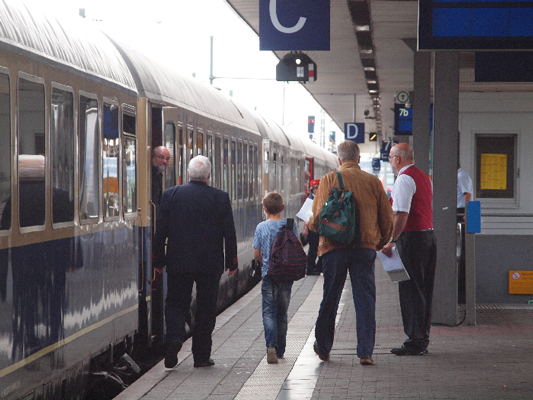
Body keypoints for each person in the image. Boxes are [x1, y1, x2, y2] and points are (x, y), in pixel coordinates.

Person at [308, 141, 393, 365]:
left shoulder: (329, 179)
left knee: (331, 297)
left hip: (334, 248)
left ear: (340, 159)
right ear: (357, 159)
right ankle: (365, 352)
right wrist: (379, 242)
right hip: (364, 248)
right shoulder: (374, 182)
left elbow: (317, 217)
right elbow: (386, 218)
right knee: (365, 299)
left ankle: (324, 348)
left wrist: (313, 227)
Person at [153, 155, 238, 369]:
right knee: (206, 308)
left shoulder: (171, 195)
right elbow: (230, 232)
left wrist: (158, 260)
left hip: (178, 262)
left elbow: (160, 231)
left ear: (188, 173)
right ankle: (201, 357)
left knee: (175, 302)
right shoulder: (220, 197)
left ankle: (175, 337)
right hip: (210, 264)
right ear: (209, 176)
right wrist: (232, 261)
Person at [381, 143, 437, 356]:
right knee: (423, 289)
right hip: (428, 237)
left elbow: (401, 213)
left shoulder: (404, 179)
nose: (389, 161)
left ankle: (415, 340)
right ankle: (422, 337)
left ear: (397, 159)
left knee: (410, 289)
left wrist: (392, 240)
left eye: (390, 157)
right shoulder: (423, 176)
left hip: (412, 239)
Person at [253, 192, 300, 364]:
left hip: (268, 275)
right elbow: (298, 247)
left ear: (265, 209)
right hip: (286, 276)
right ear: (283, 208)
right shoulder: (290, 225)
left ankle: (270, 345)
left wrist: (265, 261)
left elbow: (257, 253)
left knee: (268, 312)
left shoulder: (261, 227)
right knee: (282, 312)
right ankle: (280, 351)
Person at [457, 166, 473, 304]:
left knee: (463, 251)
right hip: (460, 212)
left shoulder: (461, 176)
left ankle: (462, 293)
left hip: (461, 212)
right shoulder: (459, 175)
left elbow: (467, 194)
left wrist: (466, 214)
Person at [304, 179, 322, 275]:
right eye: (315, 188)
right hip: (312, 227)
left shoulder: (319, 198)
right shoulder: (310, 199)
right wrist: (306, 228)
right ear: (312, 189)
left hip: (318, 226)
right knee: (313, 248)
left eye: (318, 187)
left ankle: (317, 267)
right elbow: (306, 215)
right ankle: (311, 268)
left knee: (318, 247)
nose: (317, 189)